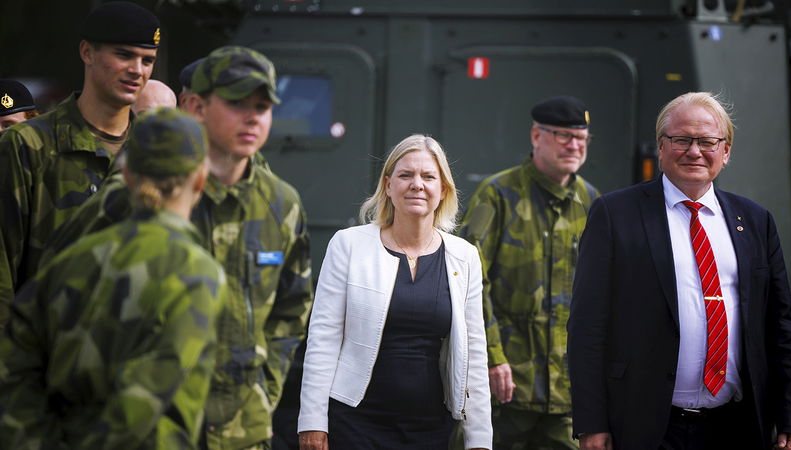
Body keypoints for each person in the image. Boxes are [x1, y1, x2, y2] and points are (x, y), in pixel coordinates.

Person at [34, 45, 314, 449]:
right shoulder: (133, 193)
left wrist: (263, 388)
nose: (253, 116)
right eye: (238, 103)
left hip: (240, 433)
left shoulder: (280, 203)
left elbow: (291, 308)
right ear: (196, 107)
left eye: (263, 105)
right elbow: (63, 295)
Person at [567, 92, 791, 450]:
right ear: (661, 147)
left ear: (726, 151)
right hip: (645, 425)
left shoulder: (754, 220)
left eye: (707, 141)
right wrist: (591, 422)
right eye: (681, 140)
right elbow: (587, 326)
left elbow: (781, 324)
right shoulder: (615, 215)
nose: (694, 151)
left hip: (737, 424)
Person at [0, 107, 227, 449]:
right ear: (200, 180)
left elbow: (14, 364)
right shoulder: (196, 273)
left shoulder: (72, 257)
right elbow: (145, 400)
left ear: (129, 177)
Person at [297, 134, 492, 450]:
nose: (417, 184)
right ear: (388, 185)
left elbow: (474, 353)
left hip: (431, 428)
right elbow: (323, 338)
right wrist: (312, 422)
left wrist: (480, 440)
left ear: (443, 190)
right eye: (405, 175)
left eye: (428, 176)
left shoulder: (464, 255)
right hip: (354, 423)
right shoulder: (348, 245)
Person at [0, 1, 160, 325]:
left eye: (147, 60)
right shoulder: (27, 146)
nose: (137, 70)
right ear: (87, 52)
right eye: (124, 55)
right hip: (48, 363)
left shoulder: (160, 152)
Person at [458, 96, 598, 449]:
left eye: (582, 139)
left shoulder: (592, 202)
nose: (574, 146)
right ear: (537, 136)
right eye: (564, 136)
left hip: (567, 393)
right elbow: (468, 281)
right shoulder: (499, 194)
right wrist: (491, 357)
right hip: (508, 387)